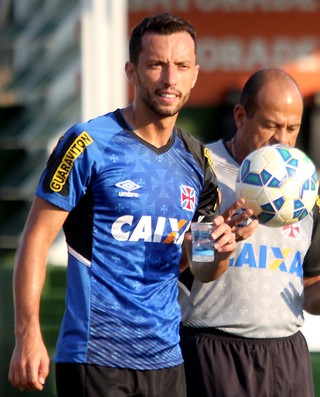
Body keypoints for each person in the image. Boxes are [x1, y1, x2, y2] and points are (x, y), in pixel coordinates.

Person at [8, 13, 247, 397]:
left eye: (182, 66)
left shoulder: (197, 159)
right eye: (156, 65)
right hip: (96, 359)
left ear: (196, 74)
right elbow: (35, 240)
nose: (170, 79)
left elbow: (201, 266)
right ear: (132, 72)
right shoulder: (87, 143)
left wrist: (223, 247)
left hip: (168, 361)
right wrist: (28, 334)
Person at [179, 68, 320, 397]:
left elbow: (311, 286)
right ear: (241, 116)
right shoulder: (200, 170)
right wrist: (215, 244)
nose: (282, 140)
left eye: (292, 128)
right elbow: (191, 262)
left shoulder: (307, 188)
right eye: (271, 126)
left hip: (287, 355)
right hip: (214, 350)